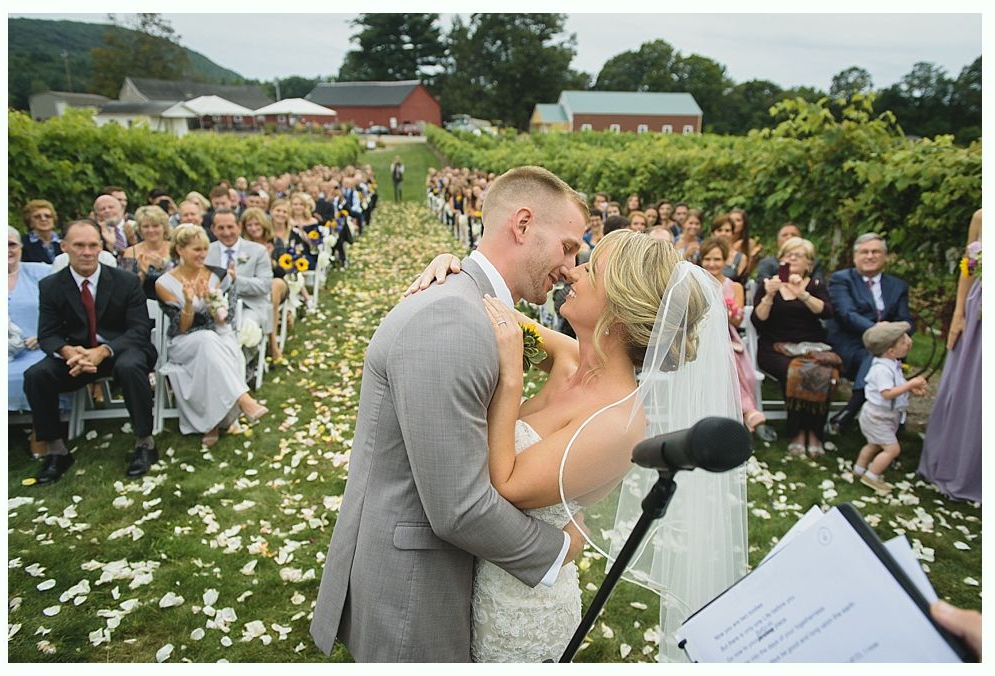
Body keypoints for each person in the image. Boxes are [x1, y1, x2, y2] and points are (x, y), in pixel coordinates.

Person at [406, 230, 747, 662]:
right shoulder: (569, 355)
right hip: (478, 564)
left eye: (592, 269)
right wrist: (452, 270)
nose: (574, 270)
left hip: (521, 609)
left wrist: (512, 379)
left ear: (619, 309)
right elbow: (487, 310)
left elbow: (507, 484)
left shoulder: (620, 422)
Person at [309, 166, 592, 662]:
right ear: (523, 226)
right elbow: (458, 507)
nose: (571, 267)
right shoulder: (452, 318)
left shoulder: (475, 304)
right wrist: (559, 549)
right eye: (568, 247)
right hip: (415, 585)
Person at [23, 220, 158, 483]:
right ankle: (57, 450)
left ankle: (146, 443)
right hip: (77, 355)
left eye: (93, 245)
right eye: (79, 245)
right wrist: (67, 351)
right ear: (64, 248)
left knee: (130, 367)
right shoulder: (51, 286)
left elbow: (139, 330)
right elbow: (48, 334)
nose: (86, 252)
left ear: (101, 247)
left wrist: (104, 350)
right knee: (36, 375)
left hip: (122, 349)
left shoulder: (126, 281)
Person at [155, 224, 268, 447]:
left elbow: (227, 318)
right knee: (206, 341)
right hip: (184, 341)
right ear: (180, 250)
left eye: (205, 249)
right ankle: (243, 399)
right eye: (196, 249)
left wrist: (211, 303)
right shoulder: (164, 283)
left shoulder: (220, 275)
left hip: (218, 332)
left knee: (214, 345)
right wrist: (188, 302)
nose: (203, 254)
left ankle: (213, 423)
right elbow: (181, 328)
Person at [917, 208, 982, 502]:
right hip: (976, 310)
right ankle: (955, 464)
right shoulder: (982, 217)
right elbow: (968, 268)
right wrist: (959, 312)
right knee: (968, 389)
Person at [750, 236, 836, 456]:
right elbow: (758, 321)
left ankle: (814, 432)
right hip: (775, 347)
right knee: (795, 371)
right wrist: (769, 295)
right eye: (788, 255)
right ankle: (797, 432)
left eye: (799, 255)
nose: (792, 259)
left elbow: (826, 312)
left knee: (825, 371)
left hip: (812, 345)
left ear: (809, 263)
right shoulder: (770, 284)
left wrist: (803, 295)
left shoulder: (815, 285)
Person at [825, 233, 913, 433]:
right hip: (850, 343)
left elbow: (906, 320)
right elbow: (846, 314)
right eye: (864, 252)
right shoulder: (841, 279)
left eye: (876, 252)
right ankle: (876, 417)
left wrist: (894, 333)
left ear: (885, 256)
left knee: (879, 357)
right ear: (856, 257)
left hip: (887, 348)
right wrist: (880, 331)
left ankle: (851, 410)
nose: (870, 256)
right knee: (876, 358)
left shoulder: (897, 286)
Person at [698, 237, 775, 441]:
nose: (712, 264)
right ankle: (748, 411)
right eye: (707, 259)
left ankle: (742, 413)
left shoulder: (735, 287)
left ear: (725, 261)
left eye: (717, 259)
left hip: (727, 335)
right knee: (722, 353)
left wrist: (728, 311)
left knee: (727, 354)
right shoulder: (696, 283)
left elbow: (738, 320)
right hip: (699, 338)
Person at [853, 322, 928, 495]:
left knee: (873, 445)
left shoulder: (891, 364)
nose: (908, 343)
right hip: (878, 416)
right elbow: (887, 393)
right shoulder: (881, 370)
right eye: (903, 342)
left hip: (883, 415)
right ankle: (872, 476)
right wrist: (910, 384)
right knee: (892, 450)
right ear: (890, 351)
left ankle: (858, 470)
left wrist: (910, 388)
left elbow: (897, 386)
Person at [205, 208, 274, 343]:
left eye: (230, 227)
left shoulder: (258, 251)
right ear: (213, 229)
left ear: (239, 227)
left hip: (250, 306)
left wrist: (236, 280)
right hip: (212, 309)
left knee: (245, 329)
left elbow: (265, 286)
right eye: (221, 228)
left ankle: (240, 363)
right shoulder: (205, 251)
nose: (226, 232)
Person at [8, 226, 54, 415]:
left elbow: (67, 309)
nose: (6, 250)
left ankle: (39, 432)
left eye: (11, 244)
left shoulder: (41, 272)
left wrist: (45, 335)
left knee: (36, 374)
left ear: (20, 247)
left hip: (38, 350)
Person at [241, 208, 287, 363]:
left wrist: (269, 259)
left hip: (277, 283)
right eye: (250, 225)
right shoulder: (243, 246)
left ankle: (272, 342)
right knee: (265, 295)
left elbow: (283, 270)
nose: (253, 228)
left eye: (257, 224)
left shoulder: (275, 242)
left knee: (273, 287)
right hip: (252, 290)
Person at [753, 222, 824, 295]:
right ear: (778, 241)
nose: (789, 237)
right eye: (784, 235)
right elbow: (763, 285)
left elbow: (818, 284)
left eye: (794, 235)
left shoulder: (813, 262)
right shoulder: (767, 263)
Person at [120, 205, 173, 301]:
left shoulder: (176, 249)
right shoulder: (130, 252)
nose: (151, 230)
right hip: (141, 303)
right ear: (139, 229)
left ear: (164, 227)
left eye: (155, 226)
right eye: (146, 226)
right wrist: (143, 271)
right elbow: (124, 290)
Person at [20, 199, 63, 264]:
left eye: (48, 216)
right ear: (30, 221)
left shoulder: (64, 241)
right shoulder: (22, 244)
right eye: (37, 217)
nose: (43, 219)